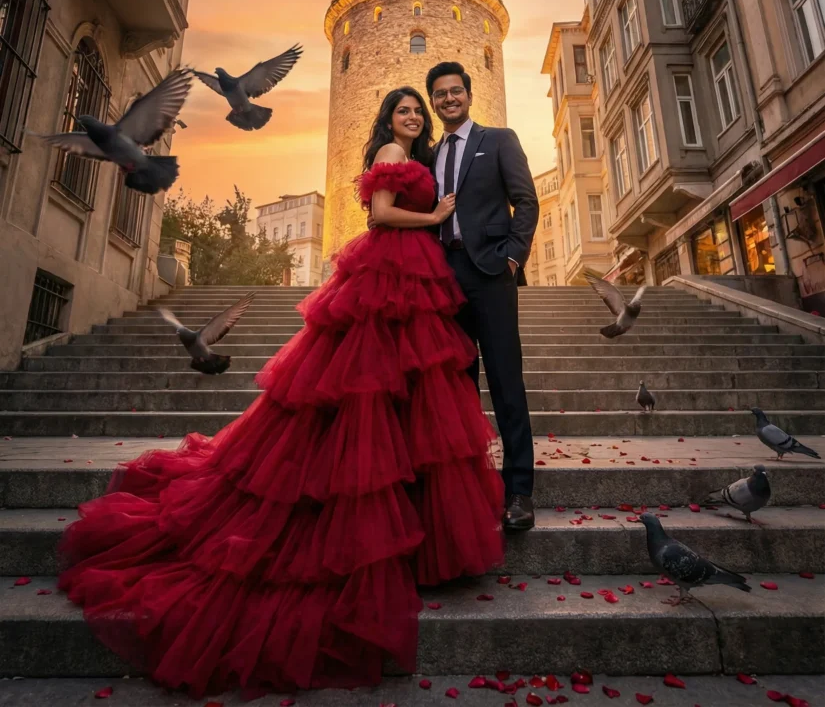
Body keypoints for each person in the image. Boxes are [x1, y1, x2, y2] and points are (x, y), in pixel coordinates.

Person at [58, 86, 504, 699]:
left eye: (415, 113)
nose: (412, 117)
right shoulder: (384, 152)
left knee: (408, 398)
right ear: (388, 118)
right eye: (404, 110)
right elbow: (378, 212)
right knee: (366, 390)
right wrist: (431, 216)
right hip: (389, 268)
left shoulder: (421, 158)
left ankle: (413, 526)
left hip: (417, 274)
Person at [425, 62, 539, 531]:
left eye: (456, 91)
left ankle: (518, 493)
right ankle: (472, 485)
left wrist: (513, 258)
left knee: (506, 382)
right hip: (443, 276)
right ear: (433, 102)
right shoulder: (427, 155)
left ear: (469, 96)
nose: (449, 99)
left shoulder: (498, 139)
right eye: (440, 94)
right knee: (458, 386)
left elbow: (526, 200)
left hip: (491, 273)